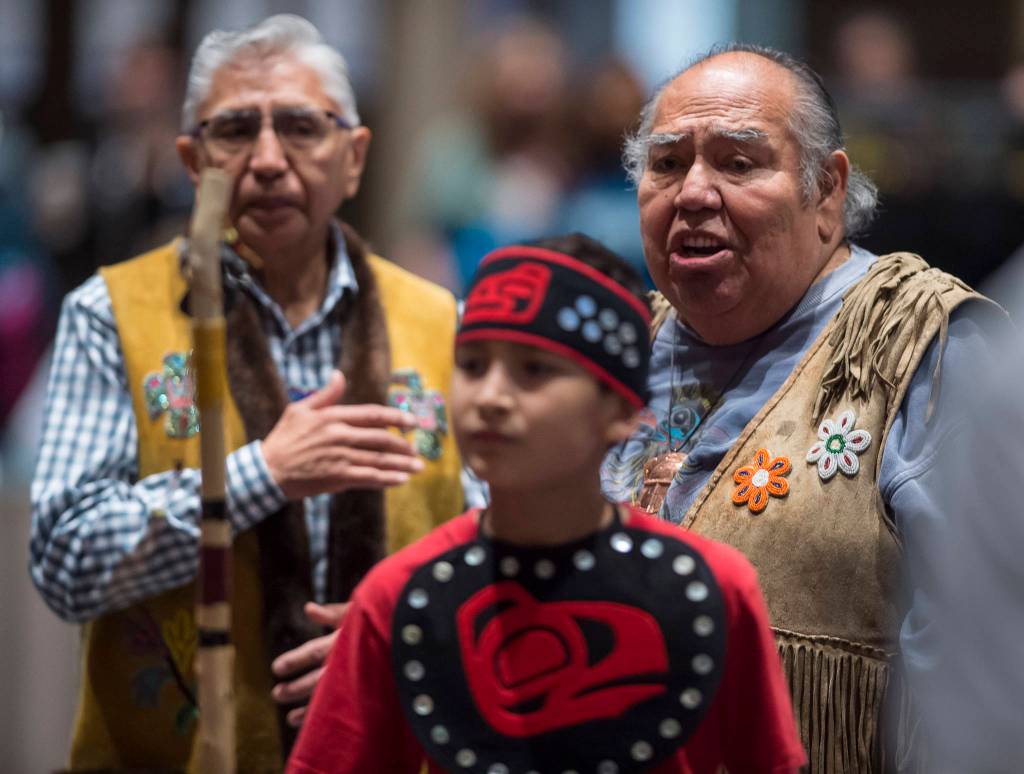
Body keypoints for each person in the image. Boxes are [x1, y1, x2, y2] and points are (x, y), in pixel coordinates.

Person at [29, 14, 464, 771]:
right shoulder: (110, 314)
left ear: (353, 157)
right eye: (234, 131)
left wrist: (406, 635)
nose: (267, 160)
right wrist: (260, 476)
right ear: (193, 162)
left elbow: (504, 545)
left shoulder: (441, 322)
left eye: (300, 126)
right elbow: (65, 561)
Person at [601, 43, 1008, 772]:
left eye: (738, 162)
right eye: (667, 164)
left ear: (826, 189)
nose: (693, 192)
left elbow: (987, 668)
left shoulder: (923, 343)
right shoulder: (617, 350)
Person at [288, 235, 806, 774]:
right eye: (471, 364)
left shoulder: (711, 590)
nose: (489, 397)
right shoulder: (398, 600)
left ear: (621, 411)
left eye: (534, 370)